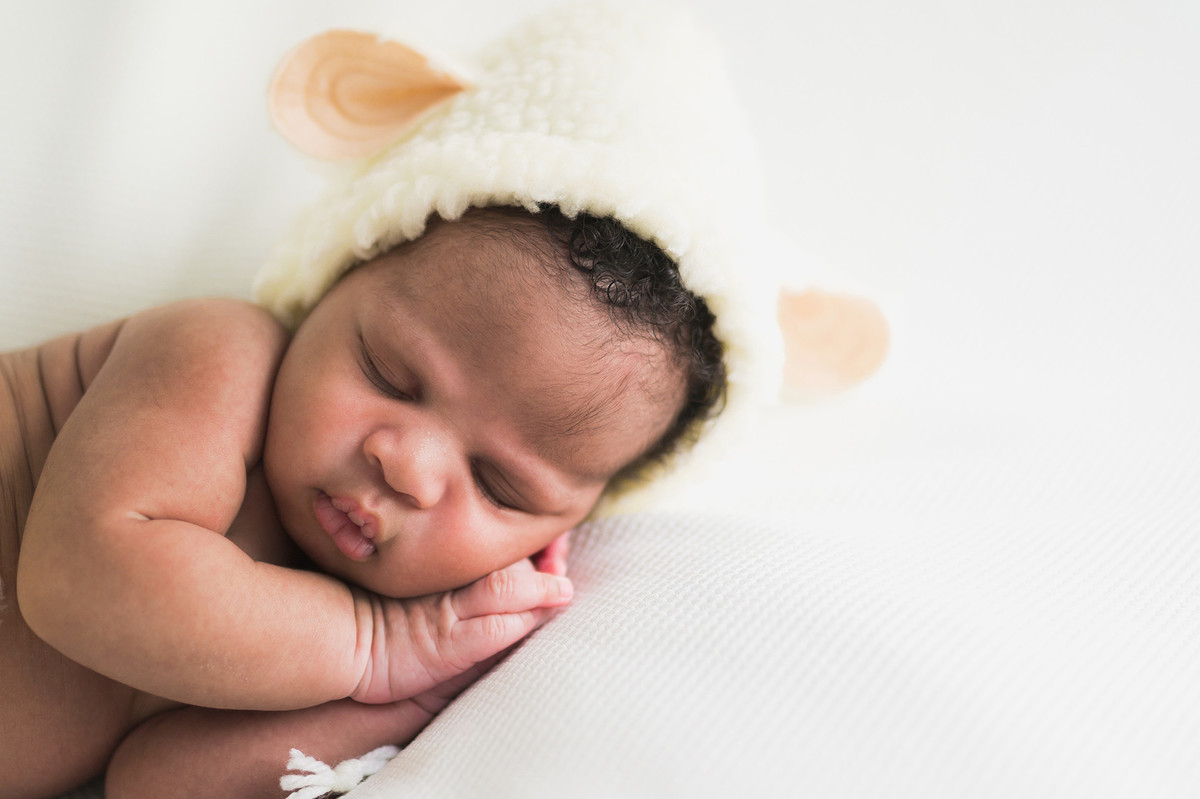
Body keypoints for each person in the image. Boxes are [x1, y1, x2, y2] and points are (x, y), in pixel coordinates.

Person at [0, 2, 786, 797]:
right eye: (388, 373)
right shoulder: (220, 353)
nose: (408, 467)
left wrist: (414, 697)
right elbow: (76, 577)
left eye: (500, 486)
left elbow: (160, 781)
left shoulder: (402, 625)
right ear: (345, 270)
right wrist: (375, 648)